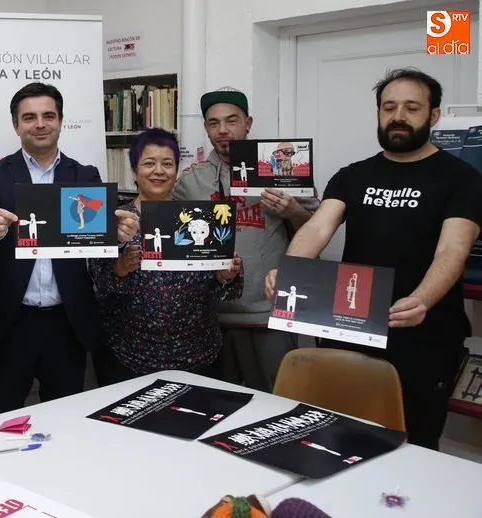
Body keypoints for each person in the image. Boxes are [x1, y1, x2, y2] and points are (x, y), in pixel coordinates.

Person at [264, 68, 482, 450]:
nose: (398, 116)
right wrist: (288, 272)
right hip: (349, 327)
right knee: (336, 437)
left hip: (423, 336)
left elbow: (453, 249)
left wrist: (422, 300)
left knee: (413, 444)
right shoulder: (353, 175)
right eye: (389, 107)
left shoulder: (461, 178)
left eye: (412, 107)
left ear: (433, 116)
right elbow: (316, 230)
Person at [0, 82, 140, 416]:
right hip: (9, 321)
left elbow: (102, 237)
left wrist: (120, 236)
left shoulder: (85, 176)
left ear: (61, 121)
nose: (40, 123)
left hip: (67, 323)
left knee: (63, 422)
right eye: (29, 117)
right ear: (16, 125)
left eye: (49, 115)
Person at [172, 87, 319, 392]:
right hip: (211, 317)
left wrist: (292, 210)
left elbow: (317, 232)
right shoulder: (191, 181)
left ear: (248, 123)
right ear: (206, 128)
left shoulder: (282, 167)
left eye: (232, 120)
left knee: (277, 400)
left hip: (269, 313)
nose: (223, 130)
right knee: (216, 404)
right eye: (214, 123)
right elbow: (178, 247)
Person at [89, 128, 243, 385]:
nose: (158, 170)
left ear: (176, 171)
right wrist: (120, 268)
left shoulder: (203, 217)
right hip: (127, 358)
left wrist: (226, 276)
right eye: (149, 163)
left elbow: (226, 291)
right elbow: (97, 285)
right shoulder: (115, 220)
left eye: (167, 163)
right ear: (135, 171)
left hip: (198, 357)